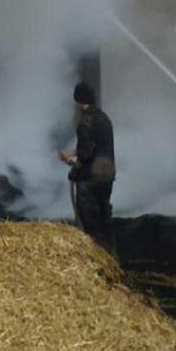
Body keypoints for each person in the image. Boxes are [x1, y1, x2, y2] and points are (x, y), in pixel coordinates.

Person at [59, 82, 116, 254]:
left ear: (79, 101)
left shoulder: (85, 122)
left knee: (90, 222)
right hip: (107, 175)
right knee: (104, 218)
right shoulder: (104, 118)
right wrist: (72, 153)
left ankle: (95, 256)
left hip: (90, 179)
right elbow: (96, 145)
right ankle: (110, 254)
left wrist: (75, 168)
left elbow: (86, 154)